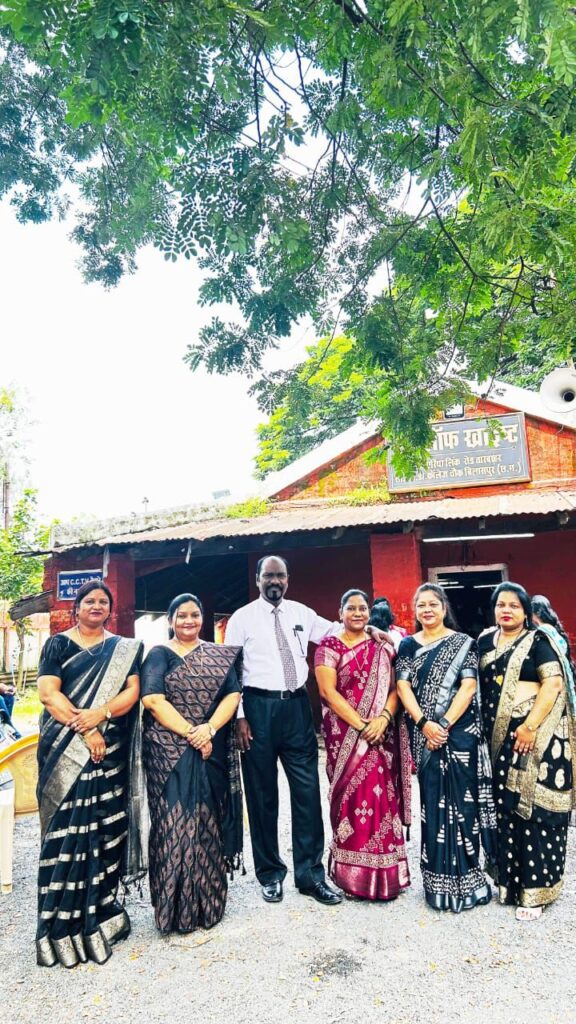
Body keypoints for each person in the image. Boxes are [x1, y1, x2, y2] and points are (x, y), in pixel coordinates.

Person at [225, 555, 347, 906]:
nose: (274, 581)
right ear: (258, 579)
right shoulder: (241, 618)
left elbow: (337, 632)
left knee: (307, 793)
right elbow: (231, 670)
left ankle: (310, 876)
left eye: (280, 576)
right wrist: (240, 716)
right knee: (262, 796)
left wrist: (371, 629)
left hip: (296, 708)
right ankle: (270, 874)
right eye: (268, 576)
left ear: (288, 579)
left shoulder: (301, 613)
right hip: (257, 710)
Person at [36, 581, 144, 968]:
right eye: (89, 601)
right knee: (66, 833)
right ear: (76, 607)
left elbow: (132, 692)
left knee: (107, 828)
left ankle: (102, 914)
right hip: (66, 750)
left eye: (103, 601)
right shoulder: (58, 645)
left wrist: (102, 714)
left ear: (110, 610)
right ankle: (59, 927)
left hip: (109, 753)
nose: (96, 606)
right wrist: (87, 729)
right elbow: (49, 694)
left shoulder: (124, 649)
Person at [141, 593, 243, 934]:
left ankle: (207, 905)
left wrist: (209, 729)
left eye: (194, 614)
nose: (188, 620)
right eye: (181, 615)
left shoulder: (216, 655)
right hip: (168, 751)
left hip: (208, 747)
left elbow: (233, 694)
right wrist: (192, 733)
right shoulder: (159, 654)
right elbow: (152, 699)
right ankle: (173, 910)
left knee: (207, 818)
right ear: (171, 619)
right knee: (172, 823)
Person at [478, 583, 576, 921]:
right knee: (505, 809)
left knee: (533, 810)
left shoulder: (538, 641)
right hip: (499, 740)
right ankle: (509, 885)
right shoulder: (484, 642)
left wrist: (530, 727)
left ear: (525, 612)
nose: (506, 610)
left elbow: (553, 684)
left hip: (535, 738)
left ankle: (536, 891)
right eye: (501, 605)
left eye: (514, 606)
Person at [396, 584, 495, 913]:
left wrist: (444, 724)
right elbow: (403, 687)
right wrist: (425, 723)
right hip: (424, 736)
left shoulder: (463, 642)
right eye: (421, 605)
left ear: (443, 607)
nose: (427, 610)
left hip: (459, 733)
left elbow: (468, 686)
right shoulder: (408, 645)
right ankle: (437, 885)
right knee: (433, 805)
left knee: (465, 805)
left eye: (433, 604)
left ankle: (470, 881)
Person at [314, 590, 412, 900]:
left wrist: (383, 719)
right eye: (351, 608)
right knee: (350, 799)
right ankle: (352, 877)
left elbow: (396, 688)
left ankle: (386, 876)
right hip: (345, 736)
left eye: (363, 608)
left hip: (380, 734)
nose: (357, 613)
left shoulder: (383, 646)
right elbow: (328, 693)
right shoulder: (328, 647)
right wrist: (362, 725)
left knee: (382, 798)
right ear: (340, 612)